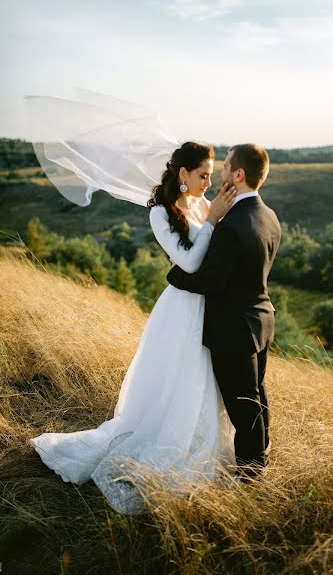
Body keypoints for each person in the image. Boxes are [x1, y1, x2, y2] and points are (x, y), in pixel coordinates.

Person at [29, 141, 238, 514]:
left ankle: (201, 441)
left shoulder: (204, 203)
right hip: (182, 310)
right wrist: (211, 221)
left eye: (210, 175)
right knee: (180, 377)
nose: (208, 181)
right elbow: (189, 263)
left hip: (208, 306)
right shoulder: (161, 212)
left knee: (204, 380)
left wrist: (221, 213)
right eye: (203, 175)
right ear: (183, 174)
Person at [167, 143, 281, 481]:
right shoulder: (268, 215)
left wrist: (174, 275)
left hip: (234, 330)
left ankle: (250, 475)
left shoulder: (232, 225)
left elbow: (211, 281)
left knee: (242, 406)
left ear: (239, 175)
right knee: (257, 394)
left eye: (226, 167)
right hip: (261, 320)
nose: (220, 174)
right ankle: (262, 452)